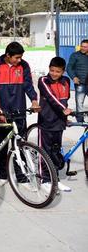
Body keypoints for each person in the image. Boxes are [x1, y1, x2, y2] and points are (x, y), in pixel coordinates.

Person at [0, 41, 40, 188]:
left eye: (21, 57)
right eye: (16, 58)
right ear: (8, 56)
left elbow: (28, 84)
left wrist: (34, 100)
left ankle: (21, 176)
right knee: (1, 144)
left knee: (20, 143)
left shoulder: (24, 65)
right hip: (1, 113)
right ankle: (2, 175)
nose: (19, 60)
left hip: (19, 111)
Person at [37, 56, 73, 193]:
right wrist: (63, 110)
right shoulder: (43, 80)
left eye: (57, 71)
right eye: (52, 70)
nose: (54, 74)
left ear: (63, 71)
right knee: (44, 152)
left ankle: (55, 179)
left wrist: (65, 116)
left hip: (59, 123)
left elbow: (65, 99)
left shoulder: (66, 81)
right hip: (46, 122)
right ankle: (45, 180)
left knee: (56, 152)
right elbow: (52, 98)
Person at [67, 39, 88, 122]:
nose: (83, 48)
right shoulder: (75, 55)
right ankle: (80, 122)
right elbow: (69, 68)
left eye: (85, 47)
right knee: (79, 103)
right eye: (82, 46)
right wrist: (74, 77)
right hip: (80, 84)